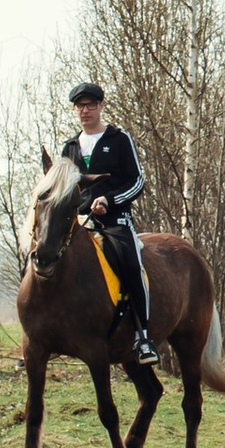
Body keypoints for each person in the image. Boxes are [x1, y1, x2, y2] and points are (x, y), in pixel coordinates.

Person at [64, 85, 162, 388]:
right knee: (45, 256)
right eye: (79, 106)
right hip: (79, 223)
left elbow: (138, 181)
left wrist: (110, 201)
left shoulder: (119, 140)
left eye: (90, 105)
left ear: (101, 105)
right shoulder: (69, 147)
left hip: (115, 222)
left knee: (131, 263)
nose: (85, 110)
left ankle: (143, 337)